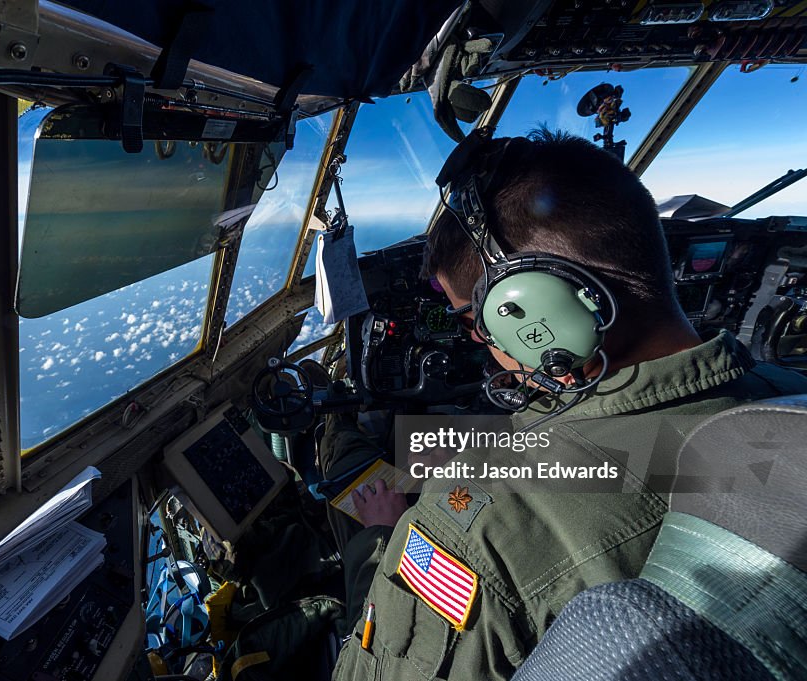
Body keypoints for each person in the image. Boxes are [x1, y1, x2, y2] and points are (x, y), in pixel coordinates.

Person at [325, 128, 807, 681]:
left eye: (474, 319)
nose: (482, 344)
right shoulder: (784, 394)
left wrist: (383, 538)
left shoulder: (483, 519)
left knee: (350, 458)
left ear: (534, 308)